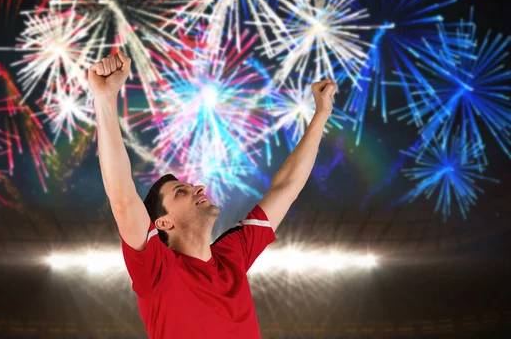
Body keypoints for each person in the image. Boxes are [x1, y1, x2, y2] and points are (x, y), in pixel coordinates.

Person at [87, 51, 337, 339]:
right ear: (163, 223)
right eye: (181, 192)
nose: (198, 188)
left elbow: (286, 188)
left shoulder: (233, 254)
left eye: (191, 186)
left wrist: (321, 114)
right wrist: (105, 99)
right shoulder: (157, 270)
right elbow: (122, 198)